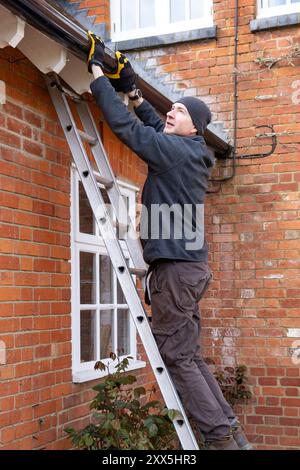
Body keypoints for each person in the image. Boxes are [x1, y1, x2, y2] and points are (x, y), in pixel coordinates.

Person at [87, 33, 252, 450]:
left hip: (176, 274)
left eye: (178, 111)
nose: (170, 114)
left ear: (195, 125)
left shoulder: (174, 151)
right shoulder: (192, 152)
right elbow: (149, 124)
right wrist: (133, 90)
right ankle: (229, 430)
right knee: (190, 355)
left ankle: (219, 439)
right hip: (189, 269)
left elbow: (128, 129)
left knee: (177, 358)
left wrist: (98, 76)